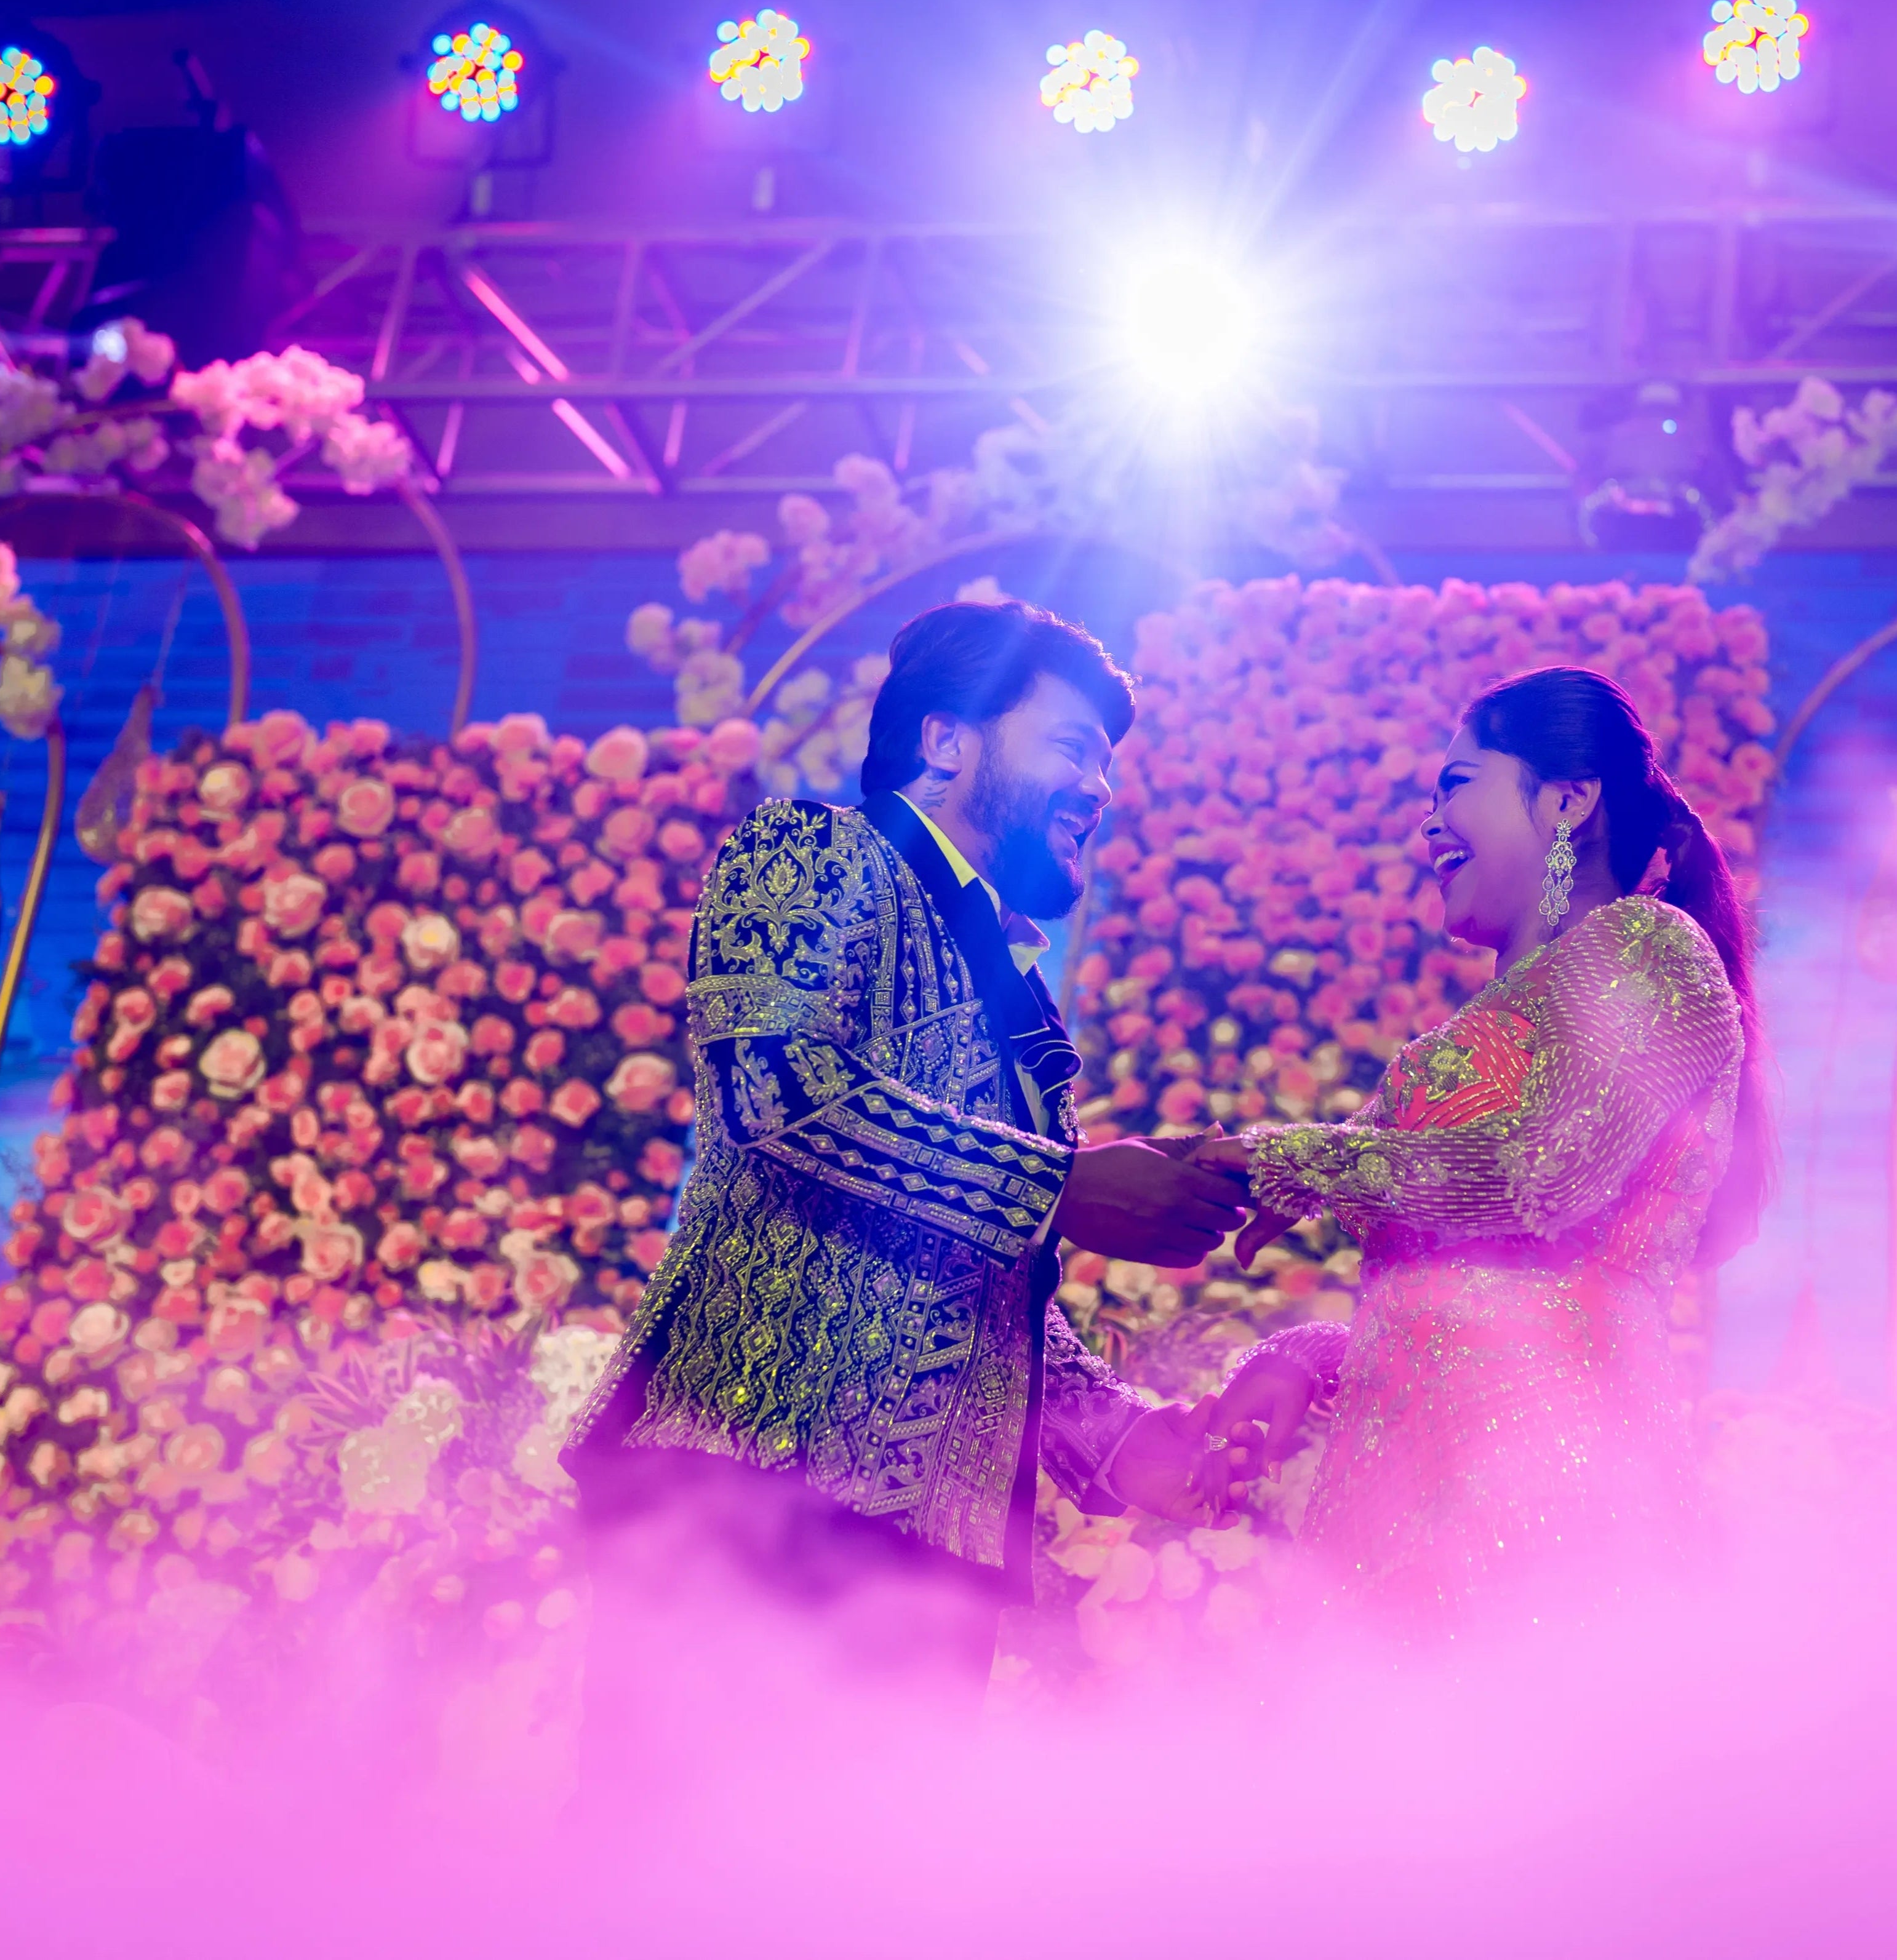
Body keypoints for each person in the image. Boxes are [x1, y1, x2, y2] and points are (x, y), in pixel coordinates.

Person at [564, 598, 1248, 1796]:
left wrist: (1116, 1433)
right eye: (1074, 747)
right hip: (754, 1482)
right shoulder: (815, 849)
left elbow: (986, 1274)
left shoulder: (1011, 982)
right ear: (947, 740)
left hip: (934, 1549)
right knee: (679, 1869)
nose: (1100, 787)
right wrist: (1063, 1183)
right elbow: (776, 1089)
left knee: (864, 1883)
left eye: (1108, 762)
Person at [1193, 664, 1771, 1632]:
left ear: (1568, 799)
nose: (1429, 825)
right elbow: (1458, 1297)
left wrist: (1290, 1160)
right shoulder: (1493, 1016)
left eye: (1455, 786)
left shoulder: (1651, 948)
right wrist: (1314, 1355)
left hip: (1562, 1502)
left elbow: (1543, 1175)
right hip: (1396, 1512)